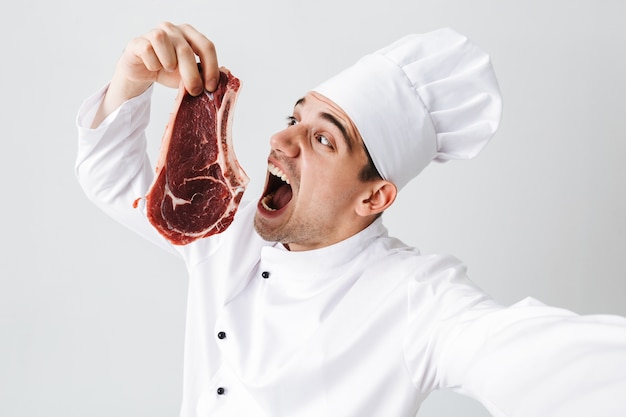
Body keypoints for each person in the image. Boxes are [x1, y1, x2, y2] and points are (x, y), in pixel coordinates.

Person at [76, 22, 626, 417]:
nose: (280, 139)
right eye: (296, 117)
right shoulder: (228, 225)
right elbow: (111, 180)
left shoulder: (418, 299)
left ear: (374, 197)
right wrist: (132, 78)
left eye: (322, 138)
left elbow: (527, 356)